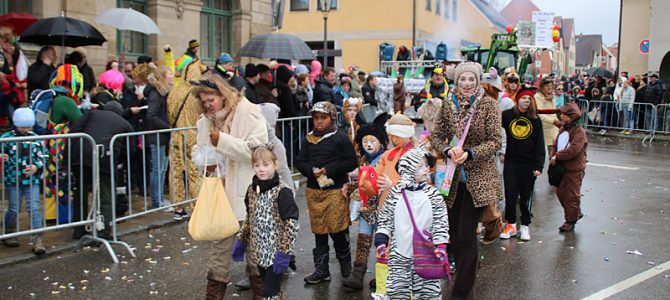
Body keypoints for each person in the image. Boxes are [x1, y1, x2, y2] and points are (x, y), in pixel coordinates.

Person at [191, 75, 268, 299]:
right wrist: (204, 161)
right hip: (220, 194)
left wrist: (222, 142)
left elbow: (257, 152)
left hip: (249, 193)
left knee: (254, 250)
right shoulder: (205, 120)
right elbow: (198, 149)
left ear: (223, 95)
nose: (207, 105)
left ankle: (262, 294)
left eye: (211, 99)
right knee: (219, 249)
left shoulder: (249, 113)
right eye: (203, 101)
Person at [430, 62, 502, 299]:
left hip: (478, 178)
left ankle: (461, 292)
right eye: (463, 79)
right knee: (453, 233)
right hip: (451, 179)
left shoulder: (489, 105)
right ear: (456, 81)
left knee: (466, 234)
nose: (467, 83)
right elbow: (437, 135)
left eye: (472, 79)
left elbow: (494, 142)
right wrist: (448, 150)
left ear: (478, 80)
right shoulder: (448, 105)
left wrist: (470, 153)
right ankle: (465, 275)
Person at [295, 101, 357, 284]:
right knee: (319, 232)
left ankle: (346, 267)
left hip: (336, 191)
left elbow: (351, 162)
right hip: (315, 192)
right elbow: (300, 161)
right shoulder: (308, 139)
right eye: (316, 118)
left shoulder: (340, 137)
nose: (319, 122)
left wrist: (329, 169)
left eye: (323, 118)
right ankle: (321, 270)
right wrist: (310, 171)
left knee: (337, 230)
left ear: (331, 118)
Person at [374, 147, 449, 299]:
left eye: (426, 165)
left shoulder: (434, 195)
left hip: (427, 252)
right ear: (407, 170)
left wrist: (440, 245)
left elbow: (441, 221)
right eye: (420, 166)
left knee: (428, 292)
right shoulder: (395, 194)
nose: (426, 169)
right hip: (399, 252)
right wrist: (382, 240)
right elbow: (385, 219)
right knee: (397, 291)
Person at [231, 145, 300, 300]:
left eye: (266, 165)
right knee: (273, 291)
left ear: (276, 165)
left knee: (268, 292)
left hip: (277, 253)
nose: (261, 169)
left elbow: (292, 225)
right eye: (257, 165)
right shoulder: (251, 190)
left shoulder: (283, 192)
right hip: (259, 252)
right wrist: (241, 241)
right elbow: (250, 218)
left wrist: (284, 253)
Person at [69, 101, 134, 240]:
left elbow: (74, 130)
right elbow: (129, 149)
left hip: (80, 154)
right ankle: (103, 232)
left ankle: (79, 229)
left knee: (81, 191)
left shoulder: (91, 114)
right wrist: (119, 163)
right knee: (105, 194)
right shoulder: (124, 123)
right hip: (104, 157)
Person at [341, 111, 388, 290]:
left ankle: (383, 276)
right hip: (365, 209)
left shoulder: (384, 159)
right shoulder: (363, 159)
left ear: (381, 142)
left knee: (382, 242)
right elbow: (361, 182)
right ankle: (357, 276)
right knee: (362, 241)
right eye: (365, 141)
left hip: (381, 209)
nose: (368, 144)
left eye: (373, 141)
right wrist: (350, 187)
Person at [500, 86, 545, 241]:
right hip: (511, 161)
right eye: (524, 98)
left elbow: (540, 144)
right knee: (510, 194)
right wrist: (501, 151)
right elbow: (496, 133)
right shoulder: (506, 115)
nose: (526, 101)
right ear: (517, 99)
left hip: (529, 163)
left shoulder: (535, 120)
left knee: (525, 196)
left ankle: (525, 226)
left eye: (529, 98)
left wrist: (539, 166)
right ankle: (511, 224)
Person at [1, 108, 46, 254]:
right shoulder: (6, 138)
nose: (27, 130)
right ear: (16, 124)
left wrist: (36, 166)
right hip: (12, 179)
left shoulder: (35, 138)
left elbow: (43, 157)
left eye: (29, 127)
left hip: (31, 180)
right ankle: (9, 232)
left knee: (34, 207)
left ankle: (37, 239)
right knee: (14, 207)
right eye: (23, 127)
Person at [167, 60, 208, 220]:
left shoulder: (175, 91)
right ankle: (197, 205)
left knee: (176, 171)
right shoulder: (198, 93)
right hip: (194, 134)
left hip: (176, 134)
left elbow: (170, 115)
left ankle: (178, 207)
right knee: (194, 170)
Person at [550, 102, 588, 232]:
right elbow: (555, 144)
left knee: (571, 195)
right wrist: (552, 155)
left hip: (574, 168)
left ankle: (570, 221)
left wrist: (557, 156)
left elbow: (574, 150)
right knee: (560, 192)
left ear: (571, 116)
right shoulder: (563, 129)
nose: (561, 116)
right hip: (562, 167)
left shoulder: (579, 132)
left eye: (564, 115)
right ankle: (575, 212)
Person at [145, 66, 174, 210]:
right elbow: (151, 115)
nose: (172, 75)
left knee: (162, 169)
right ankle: (157, 201)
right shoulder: (155, 95)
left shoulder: (162, 93)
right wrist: (168, 127)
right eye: (169, 73)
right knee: (158, 169)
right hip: (156, 136)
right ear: (163, 76)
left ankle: (160, 198)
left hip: (162, 136)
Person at [535, 77, 560, 152]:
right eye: (547, 86)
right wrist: (554, 121)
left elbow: (553, 112)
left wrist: (557, 122)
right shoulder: (538, 96)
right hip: (543, 127)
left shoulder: (551, 96)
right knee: (542, 151)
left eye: (551, 85)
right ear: (542, 87)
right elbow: (539, 113)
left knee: (554, 150)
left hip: (553, 128)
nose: (550, 88)